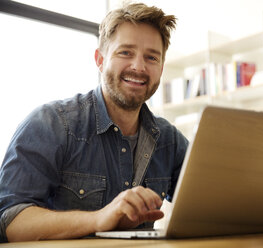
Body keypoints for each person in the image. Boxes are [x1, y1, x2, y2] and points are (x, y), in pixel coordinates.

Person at [0, 2, 188, 242]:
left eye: (151, 57)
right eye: (125, 52)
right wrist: (100, 218)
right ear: (100, 60)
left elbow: (212, 201)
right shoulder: (49, 124)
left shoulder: (171, 141)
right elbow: (10, 221)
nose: (138, 67)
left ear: (161, 68)